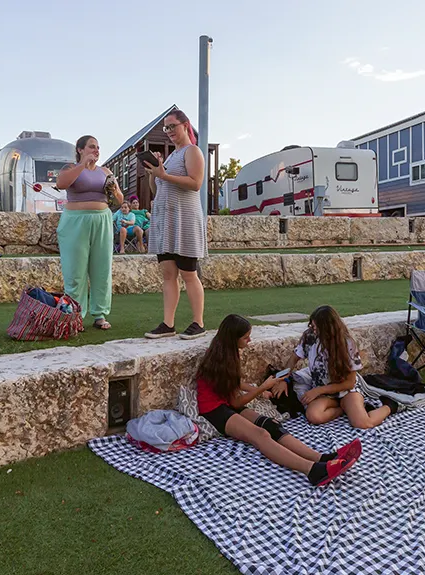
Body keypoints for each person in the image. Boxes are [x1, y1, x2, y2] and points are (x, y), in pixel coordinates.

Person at [196, 314, 362, 487]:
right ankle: (312, 470)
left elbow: (233, 383)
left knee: (271, 425)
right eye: (245, 337)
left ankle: (322, 458)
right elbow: (236, 403)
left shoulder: (228, 352)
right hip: (214, 409)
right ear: (233, 338)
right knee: (260, 435)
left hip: (226, 402)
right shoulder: (220, 360)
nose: (249, 340)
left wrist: (257, 390)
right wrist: (262, 388)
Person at [276, 305, 401, 429]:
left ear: (327, 328)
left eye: (315, 327)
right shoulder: (309, 337)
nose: (312, 330)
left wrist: (318, 391)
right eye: (312, 326)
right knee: (313, 416)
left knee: (363, 423)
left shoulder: (347, 344)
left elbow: (349, 383)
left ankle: (389, 406)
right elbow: (293, 359)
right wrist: (283, 379)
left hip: (346, 390)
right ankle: (343, 409)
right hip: (325, 392)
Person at [143, 110, 208, 340]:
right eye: (166, 128)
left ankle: (198, 322)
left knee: (189, 273)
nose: (169, 131)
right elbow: (157, 189)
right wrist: (155, 173)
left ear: (185, 125)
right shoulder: (171, 156)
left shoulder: (192, 151)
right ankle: (168, 324)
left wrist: (165, 175)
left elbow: (195, 183)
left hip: (185, 219)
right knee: (168, 273)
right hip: (167, 221)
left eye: (172, 126)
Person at [56, 135, 123, 330]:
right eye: (91, 147)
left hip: (102, 219)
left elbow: (119, 200)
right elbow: (61, 184)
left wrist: (114, 189)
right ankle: (75, 315)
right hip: (75, 221)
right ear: (80, 149)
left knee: (102, 268)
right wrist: (82, 165)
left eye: (98, 147)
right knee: (75, 270)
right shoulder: (70, 168)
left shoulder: (105, 171)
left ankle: (100, 314)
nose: (96, 150)